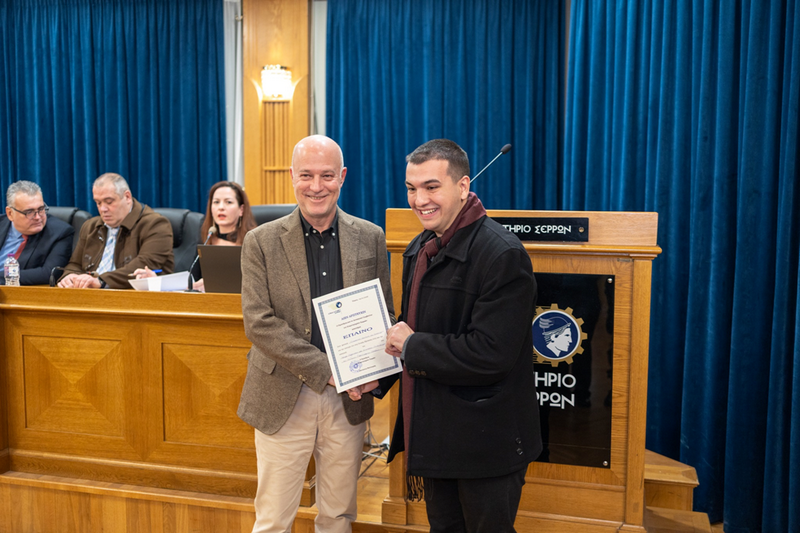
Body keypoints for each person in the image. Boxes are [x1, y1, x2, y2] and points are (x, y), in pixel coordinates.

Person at [378, 139, 541, 532]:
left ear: (463, 186)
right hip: (436, 437)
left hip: (486, 445)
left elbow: (491, 353)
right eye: (411, 188)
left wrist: (411, 345)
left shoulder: (502, 254)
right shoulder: (420, 247)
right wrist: (373, 376)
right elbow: (410, 328)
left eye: (431, 187)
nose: (419, 200)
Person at [236, 135, 394, 533]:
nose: (316, 186)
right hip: (283, 394)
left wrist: (372, 369)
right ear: (292, 176)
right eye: (306, 175)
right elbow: (258, 322)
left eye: (327, 175)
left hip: (348, 399)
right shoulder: (260, 241)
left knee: (338, 515)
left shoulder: (371, 237)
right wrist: (328, 371)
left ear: (342, 177)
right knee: (273, 519)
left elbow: (384, 314)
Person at [134, 181, 256, 291]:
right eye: (216, 202)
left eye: (228, 202)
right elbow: (192, 281)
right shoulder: (205, 240)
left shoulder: (253, 242)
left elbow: (257, 285)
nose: (221, 207)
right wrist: (156, 280)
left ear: (241, 209)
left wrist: (214, 284)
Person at [58, 173, 174, 289]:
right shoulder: (90, 226)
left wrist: (101, 281)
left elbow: (144, 265)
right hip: (90, 294)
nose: (103, 209)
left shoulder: (156, 224)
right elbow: (75, 264)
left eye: (109, 202)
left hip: (132, 295)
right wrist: (69, 276)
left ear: (127, 197)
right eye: (98, 203)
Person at [0, 181, 74, 285]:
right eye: (29, 212)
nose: (38, 217)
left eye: (41, 209)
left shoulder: (60, 232)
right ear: (10, 213)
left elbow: (49, 273)